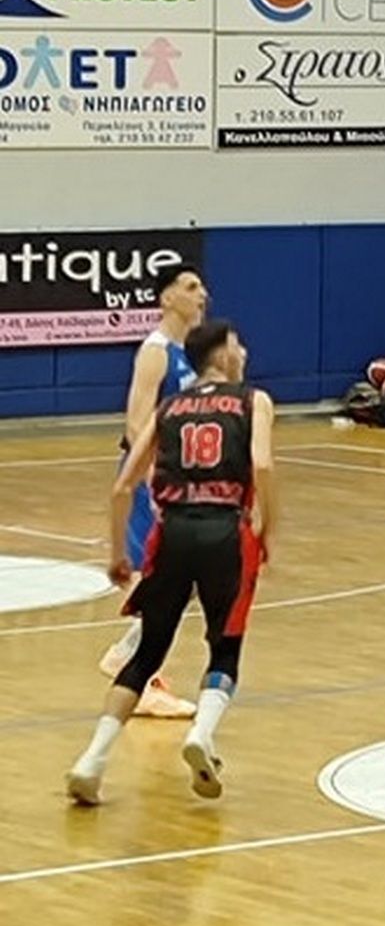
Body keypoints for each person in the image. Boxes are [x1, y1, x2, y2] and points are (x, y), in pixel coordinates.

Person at [68, 320, 277, 805]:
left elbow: (122, 486)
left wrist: (118, 554)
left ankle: (91, 761)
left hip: (172, 535)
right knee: (224, 648)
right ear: (221, 355)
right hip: (226, 531)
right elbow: (263, 465)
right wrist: (267, 526)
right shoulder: (254, 401)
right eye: (237, 345)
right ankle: (201, 735)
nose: (244, 353)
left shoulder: (168, 408)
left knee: (146, 655)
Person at [97, 264, 208, 720]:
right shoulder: (156, 351)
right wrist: (157, 478)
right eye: (191, 287)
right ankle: (141, 677)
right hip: (153, 478)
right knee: (164, 578)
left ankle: (127, 655)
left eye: (201, 286)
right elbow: (136, 422)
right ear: (166, 298)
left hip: (183, 477)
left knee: (185, 579)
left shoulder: (191, 353)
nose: (202, 294)